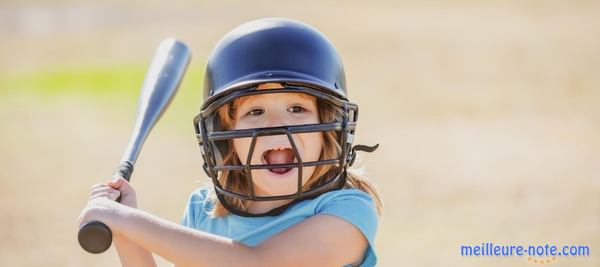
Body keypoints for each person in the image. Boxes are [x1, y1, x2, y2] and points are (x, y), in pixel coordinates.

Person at [78, 17, 382, 266]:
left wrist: (129, 221)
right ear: (225, 135)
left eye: (297, 109)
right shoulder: (204, 209)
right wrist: (124, 231)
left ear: (328, 127)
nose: (277, 127)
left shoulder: (347, 209)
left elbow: (258, 263)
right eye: (256, 111)